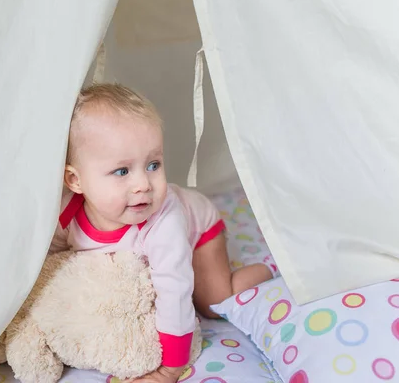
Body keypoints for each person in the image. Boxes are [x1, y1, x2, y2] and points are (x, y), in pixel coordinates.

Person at [49, 83, 278, 382]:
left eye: (153, 164)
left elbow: (174, 290)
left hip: (199, 228)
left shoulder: (162, 221)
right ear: (75, 180)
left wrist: (170, 369)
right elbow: (51, 265)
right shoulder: (67, 214)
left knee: (212, 301)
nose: (144, 183)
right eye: (122, 171)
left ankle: (268, 268)